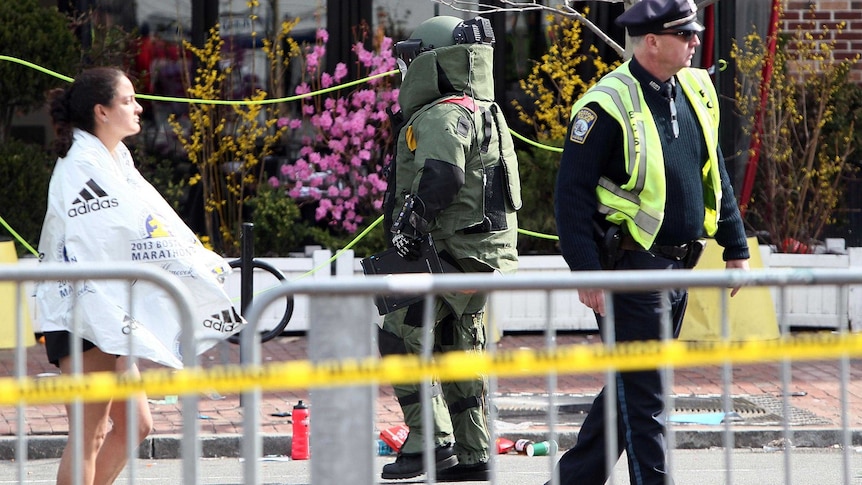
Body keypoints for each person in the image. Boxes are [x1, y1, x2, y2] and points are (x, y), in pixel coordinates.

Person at [550, 1, 750, 484]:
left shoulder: (696, 88)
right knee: (647, 403)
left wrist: (736, 246)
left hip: (678, 268)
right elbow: (570, 196)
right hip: (632, 273)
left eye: (695, 34)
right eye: (685, 35)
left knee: (630, 389)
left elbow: (715, 171)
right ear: (653, 42)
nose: (696, 43)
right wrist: (586, 270)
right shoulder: (606, 104)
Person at [36, 67, 243, 485]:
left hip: (107, 311)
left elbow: (152, 225)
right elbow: (130, 235)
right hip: (81, 313)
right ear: (102, 111)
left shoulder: (114, 158)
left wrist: (199, 261)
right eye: (128, 99)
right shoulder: (82, 164)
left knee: (137, 425)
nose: (139, 106)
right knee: (89, 434)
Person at [377, 15, 521, 482]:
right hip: (479, 255)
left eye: (414, 57)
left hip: (445, 252)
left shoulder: (443, 112)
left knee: (400, 336)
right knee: (461, 348)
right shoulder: (485, 110)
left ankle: (430, 444)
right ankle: (474, 452)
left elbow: (443, 175)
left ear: (435, 61)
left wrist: (407, 226)